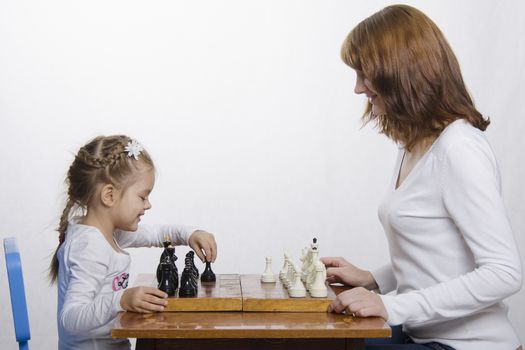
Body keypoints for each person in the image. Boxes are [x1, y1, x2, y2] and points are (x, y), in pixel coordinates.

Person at [322, 5, 522, 350]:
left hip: (467, 344)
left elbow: (504, 273)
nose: (357, 89)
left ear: (399, 72)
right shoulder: (414, 143)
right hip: (424, 333)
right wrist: (375, 279)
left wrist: (392, 305)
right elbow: (441, 255)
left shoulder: (459, 148)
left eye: (364, 74)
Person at [48, 135, 217, 350]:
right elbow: (71, 318)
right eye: (142, 197)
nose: (148, 205)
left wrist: (190, 234)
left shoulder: (108, 232)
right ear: (109, 195)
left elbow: (157, 235)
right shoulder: (89, 247)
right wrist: (120, 300)